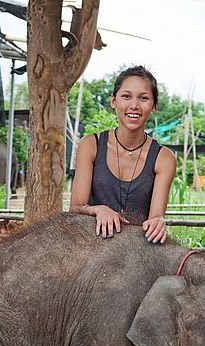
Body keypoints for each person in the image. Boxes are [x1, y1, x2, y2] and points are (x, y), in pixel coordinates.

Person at [69, 65, 176, 243]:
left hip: (136, 250)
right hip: (89, 244)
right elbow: (75, 209)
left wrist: (158, 223)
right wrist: (99, 209)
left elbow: (155, 217)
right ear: (113, 101)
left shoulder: (164, 158)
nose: (134, 106)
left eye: (143, 98)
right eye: (126, 96)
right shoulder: (91, 145)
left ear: (154, 106)